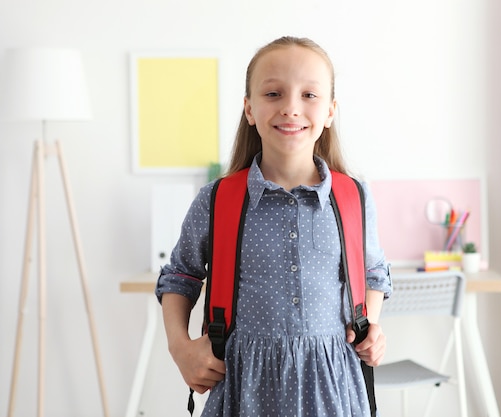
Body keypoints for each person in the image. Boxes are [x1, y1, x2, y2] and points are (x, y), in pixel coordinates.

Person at [155, 35, 392, 417]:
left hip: (334, 388)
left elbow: (374, 273)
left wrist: (370, 328)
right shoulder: (217, 200)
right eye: (273, 94)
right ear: (249, 108)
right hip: (244, 386)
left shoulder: (354, 198)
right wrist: (180, 348)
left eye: (309, 96)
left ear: (330, 111)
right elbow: (179, 276)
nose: (291, 109)